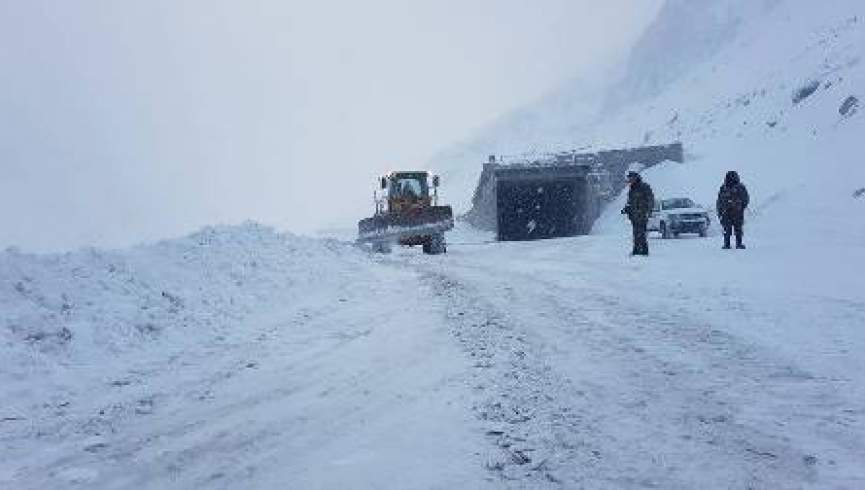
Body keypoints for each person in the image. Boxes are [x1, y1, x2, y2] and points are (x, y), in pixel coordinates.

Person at [621, 169, 655, 256]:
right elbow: (630, 202)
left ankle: (644, 251)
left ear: (636, 178)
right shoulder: (632, 189)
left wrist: (648, 211)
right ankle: (636, 250)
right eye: (629, 178)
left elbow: (650, 200)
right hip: (634, 216)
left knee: (641, 233)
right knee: (636, 233)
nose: (630, 180)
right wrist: (626, 209)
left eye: (631, 178)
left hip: (642, 214)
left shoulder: (644, 187)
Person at [716, 170, 750, 249]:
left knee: (733, 228)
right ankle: (734, 244)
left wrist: (741, 207)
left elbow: (745, 199)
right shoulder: (725, 188)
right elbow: (720, 200)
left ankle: (731, 244)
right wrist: (741, 207)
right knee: (732, 228)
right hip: (729, 212)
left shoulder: (738, 187)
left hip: (732, 212)